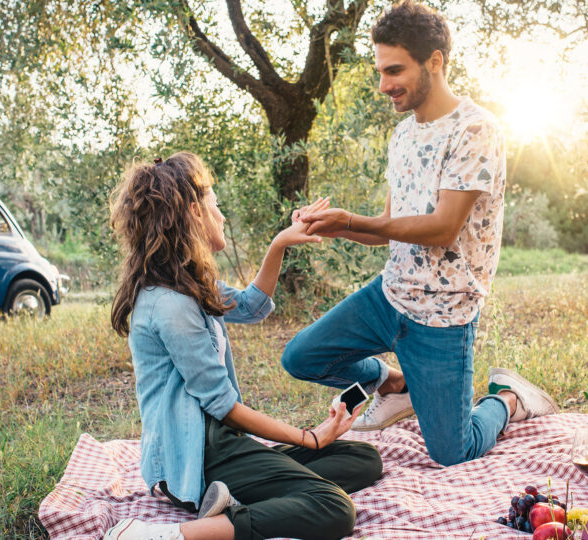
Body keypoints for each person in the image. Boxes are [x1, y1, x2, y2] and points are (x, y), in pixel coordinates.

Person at [282, 0, 559, 467]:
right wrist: (336, 228)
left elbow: (442, 228)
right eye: (380, 71)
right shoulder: (403, 135)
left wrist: (352, 221)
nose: (383, 85)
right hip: (390, 296)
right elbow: (395, 228)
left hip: (444, 314)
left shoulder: (476, 128)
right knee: (301, 357)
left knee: (452, 452)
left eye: (394, 70)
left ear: (435, 61)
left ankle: (508, 399)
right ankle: (395, 384)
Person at [105, 153, 383, 540]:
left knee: (362, 459)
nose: (222, 217)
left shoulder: (189, 285)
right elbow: (224, 407)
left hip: (221, 443)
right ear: (193, 212)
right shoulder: (169, 305)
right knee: (333, 506)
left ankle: (231, 503)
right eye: (215, 206)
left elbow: (252, 307)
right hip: (194, 458)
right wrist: (309, 437)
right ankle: (169, 535)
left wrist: (280, 244)